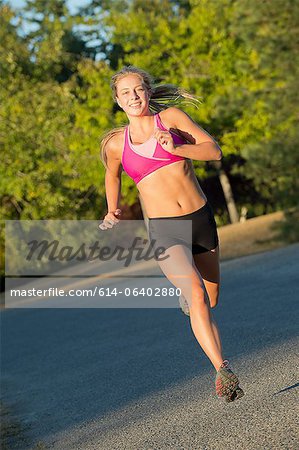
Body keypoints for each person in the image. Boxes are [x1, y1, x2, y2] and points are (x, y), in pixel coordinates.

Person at [99, 65, 244, 402]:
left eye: (138, 89)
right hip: (164, 229)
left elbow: (213, 150)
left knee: (210, 299)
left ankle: (190, 296)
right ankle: (222, 370)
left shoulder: (172, 119)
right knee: (196, 294)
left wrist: (178, 148)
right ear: (117, 101)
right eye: (125, 93)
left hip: (200, 219)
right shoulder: (116, 145)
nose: (133, 97)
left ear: (148, 91)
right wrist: (112, 208)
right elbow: (112, 176)